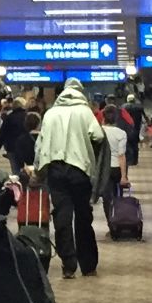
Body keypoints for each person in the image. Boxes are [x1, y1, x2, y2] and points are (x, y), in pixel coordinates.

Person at [33, 77, 106, 280]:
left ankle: (68, 264)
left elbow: (40, 143)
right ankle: (88, 264)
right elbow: (98, 136)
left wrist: (38, 170)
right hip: (79, 169)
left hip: (55, 169)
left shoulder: (50, 113)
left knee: (62, 216)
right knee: (83, 216)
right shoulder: (85, 112)